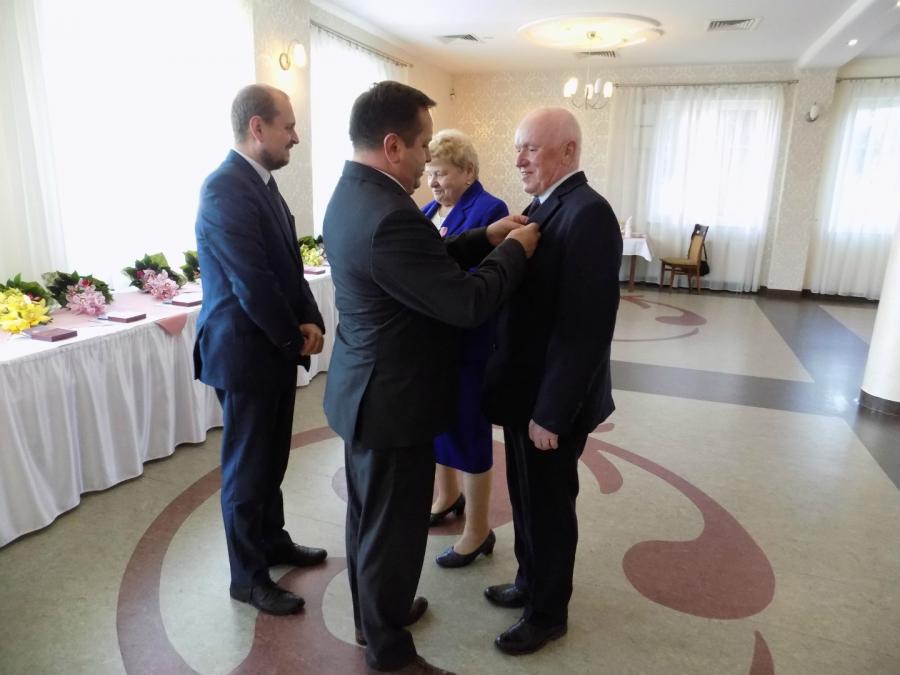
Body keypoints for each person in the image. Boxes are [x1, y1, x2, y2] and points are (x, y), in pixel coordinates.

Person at [322, 81, 540, 675]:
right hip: (393, 401)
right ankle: (388, 646)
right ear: (393, 145)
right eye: (421, 146)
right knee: (391, 531)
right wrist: (514, 251)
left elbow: (422, 265)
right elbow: (465, 303)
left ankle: (377, 613)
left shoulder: (352, 193)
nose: (426, 160)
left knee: (368, 519)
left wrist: (483, 237)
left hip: (364, 391)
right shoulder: (392, 214)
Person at [482, 107, 622, 655]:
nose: (519, 159)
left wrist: (552, 413)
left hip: (550, 402)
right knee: (525, 494)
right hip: (526, 392)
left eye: (531, 148)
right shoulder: (545, 206)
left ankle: (547, 613)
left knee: (550, 507)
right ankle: (528, 580)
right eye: (518, 147)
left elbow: (584, 329)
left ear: (568, 151)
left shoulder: (589, 214)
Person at [193, 84, 328, 617]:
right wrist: (294, 338)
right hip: (244, 355)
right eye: (288, 126)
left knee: (271, 459)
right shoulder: (223, 188)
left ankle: (272, 541)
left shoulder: (263, 184)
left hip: (269, 349)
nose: (295, 136)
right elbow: (251, 281)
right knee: (246, 472)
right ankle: (247, 579)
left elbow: (288, 267)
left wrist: (310, 317)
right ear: (257, 128)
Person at [421, 130, 507, 568]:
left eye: (441, 173)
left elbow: (481, 277)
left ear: (468, 172)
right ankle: (446, 495)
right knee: (439, 423)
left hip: (470, 341)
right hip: (434, 342)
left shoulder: (490, 210)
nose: (433, 182)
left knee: (470, 431)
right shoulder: (427, 211)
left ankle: (477, 530)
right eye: (429, 173)